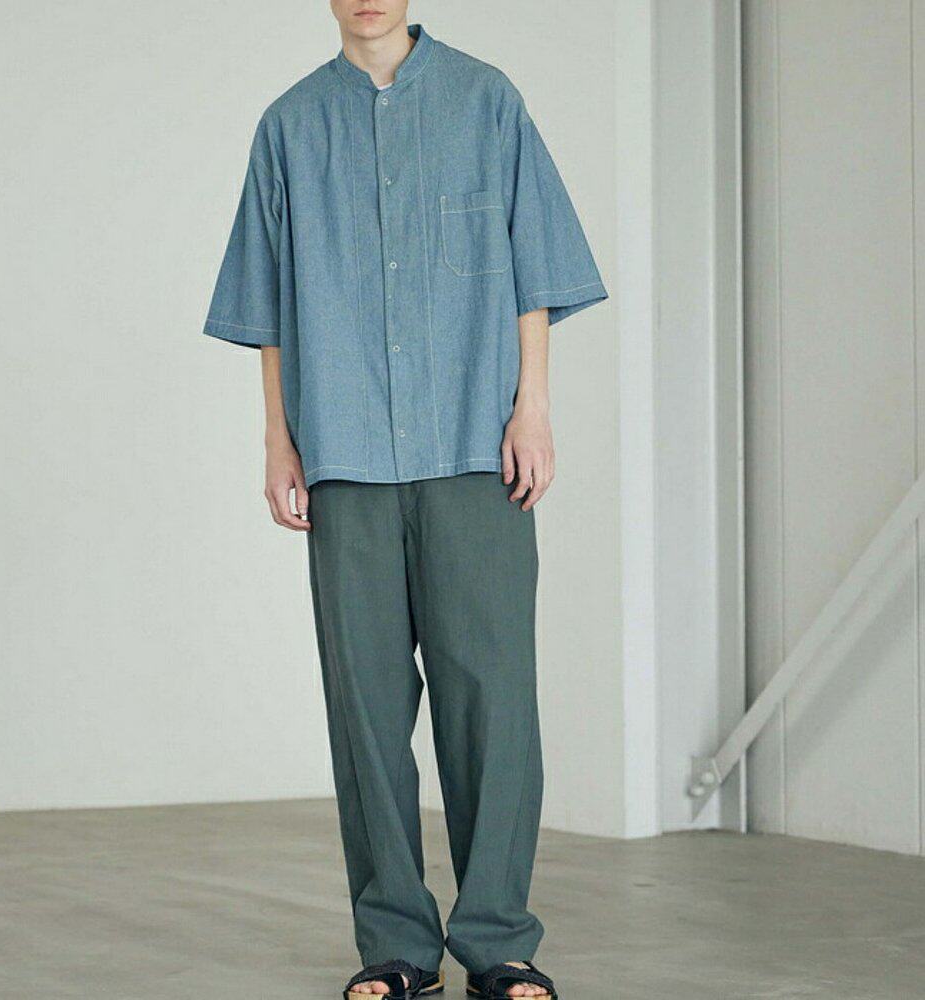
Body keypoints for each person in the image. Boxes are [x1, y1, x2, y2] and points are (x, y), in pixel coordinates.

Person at [203, 2, 607, 997]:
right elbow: (267, 303)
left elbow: (535, 270)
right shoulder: (289, 125)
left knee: (492, 700)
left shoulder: (486, 101)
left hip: (473, 443)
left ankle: (498, 939)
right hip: (343, 451)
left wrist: (533, 411)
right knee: (366, 708)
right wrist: (277, 437)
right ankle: (394, 945)